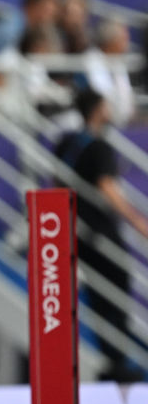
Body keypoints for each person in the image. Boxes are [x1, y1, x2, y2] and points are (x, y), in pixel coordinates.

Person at [54, 89, 148, 381]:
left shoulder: (66, 142)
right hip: (101, 232)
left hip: (76, 231)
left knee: (99, 294)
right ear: (97, 109)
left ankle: (113, 357)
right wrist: (139, 223)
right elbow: (108, 189)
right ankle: (118, 361)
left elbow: (56, 181)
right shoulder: (98, 147)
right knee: (117, 289)